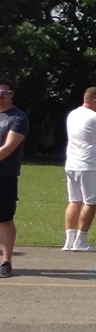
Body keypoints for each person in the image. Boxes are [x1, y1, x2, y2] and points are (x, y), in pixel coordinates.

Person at [63, 86, 96, 251]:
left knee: (74, 201)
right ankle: (81, 240)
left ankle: (69, 240)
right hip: (91, 165)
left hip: (72, 163)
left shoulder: (73, 114)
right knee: (90, 202)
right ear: (95, 100)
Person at [0, 77, 29, 278]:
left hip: (5, 175)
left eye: (4, 93)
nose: (0, 97)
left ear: (11, 94)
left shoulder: (18, 117)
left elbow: (8, 148)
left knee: (4, 219)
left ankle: (6, 261)